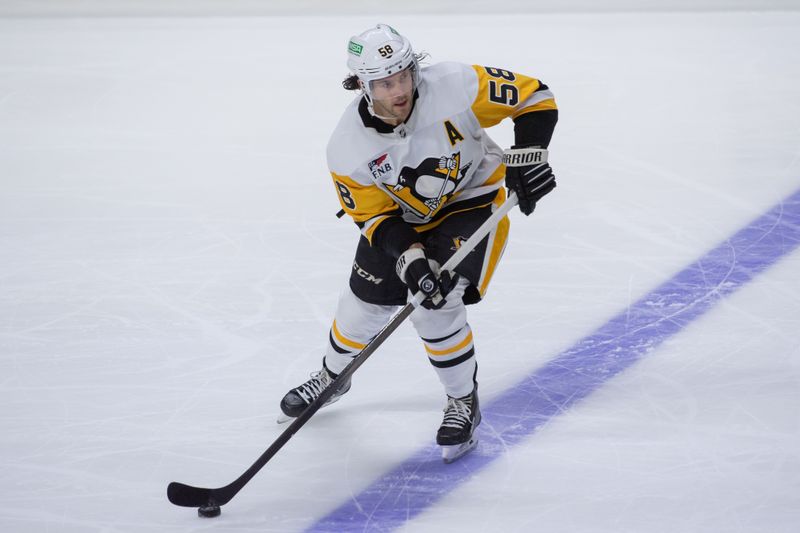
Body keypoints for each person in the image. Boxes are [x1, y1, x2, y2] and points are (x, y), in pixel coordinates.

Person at [279, 23, 558, 463]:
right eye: (385, 82)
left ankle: (463, 401)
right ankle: (333, 376)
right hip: (400, 221)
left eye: (404, 74)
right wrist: (411, 260)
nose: (399, 89)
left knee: (436, 302)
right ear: (362, 86)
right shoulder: (347, 147)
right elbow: (374, 218)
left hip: (472, 202)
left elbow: (536, 97)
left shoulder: (456, 85)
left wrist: (529, 156)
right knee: (360, 311)